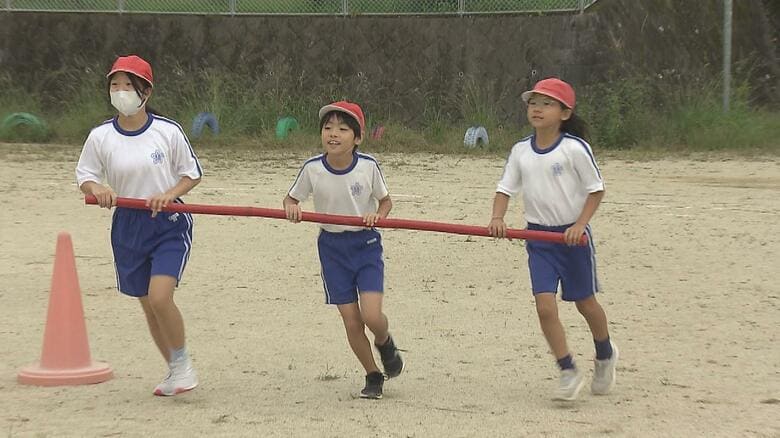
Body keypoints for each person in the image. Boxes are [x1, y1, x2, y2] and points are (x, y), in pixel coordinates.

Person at [75, 55, 203, 396]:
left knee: (161, 297)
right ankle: (176, 369)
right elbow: (85, 175)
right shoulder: (101, 136)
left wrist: (169, 194)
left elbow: (192, 173)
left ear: (145, 92)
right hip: (127, 226)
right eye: (115, 85)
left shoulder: (167, 131)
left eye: (128, 86)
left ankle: (183, 364)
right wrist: (97, 188)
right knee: (147, 303)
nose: (121, 92)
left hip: (168, 221)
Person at [487, 78, 618, 401]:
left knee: (584, 302)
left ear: (565, 112)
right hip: (538, 238)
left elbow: (595, 190)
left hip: (573, 240)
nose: (537, 109)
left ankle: (604, 352)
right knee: (545, 308)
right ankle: (567, 370)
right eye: (533, 103)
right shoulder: (520, 151)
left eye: (546, 104)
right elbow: (505, 189)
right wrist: (497, 217)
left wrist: (580, 224)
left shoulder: (574, 149)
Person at [283, 101, 404, 399]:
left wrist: (379, 215)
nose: (333, 134)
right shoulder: (312, 169)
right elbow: (290, 199)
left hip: (365, 246)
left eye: (342, 128)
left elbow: (385, 202)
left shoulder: (368, 167)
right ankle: (373, 374)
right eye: (327, 127)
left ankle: (385, 341)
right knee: (351, 320)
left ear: (358, 138)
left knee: (372, 316)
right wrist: (292, 208)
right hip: (332, 249)